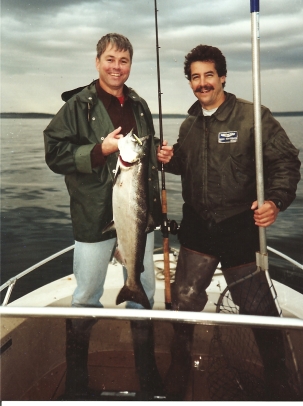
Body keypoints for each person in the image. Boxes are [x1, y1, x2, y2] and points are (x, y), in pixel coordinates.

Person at [163, 44, 301, 400]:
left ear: (223, 77)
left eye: (209, 74)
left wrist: (274, 201)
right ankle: (179, 369)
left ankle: (278, 377)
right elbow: (185, 164)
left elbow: (286, 163)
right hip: (197, 228)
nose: (203, 83)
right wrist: (169, 159)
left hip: (240, 226)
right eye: (195, 76)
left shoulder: (253, 117)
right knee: (183, 301)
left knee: (256, 307)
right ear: (190, 82)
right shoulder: (189, 123)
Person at [43, 33, 173, 400]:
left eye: (124, 61)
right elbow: (55, 153)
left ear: (131, 65)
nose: (117, 67)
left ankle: (147, 375)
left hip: (137, 214)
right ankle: (77, 382)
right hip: (93, 216)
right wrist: (99, 149)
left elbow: (143, 150)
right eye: (111, 59)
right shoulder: (77, 106)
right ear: (97, 61)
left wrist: (161, 154)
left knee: (143, 290)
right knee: (86, 294)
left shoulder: (140, 104)